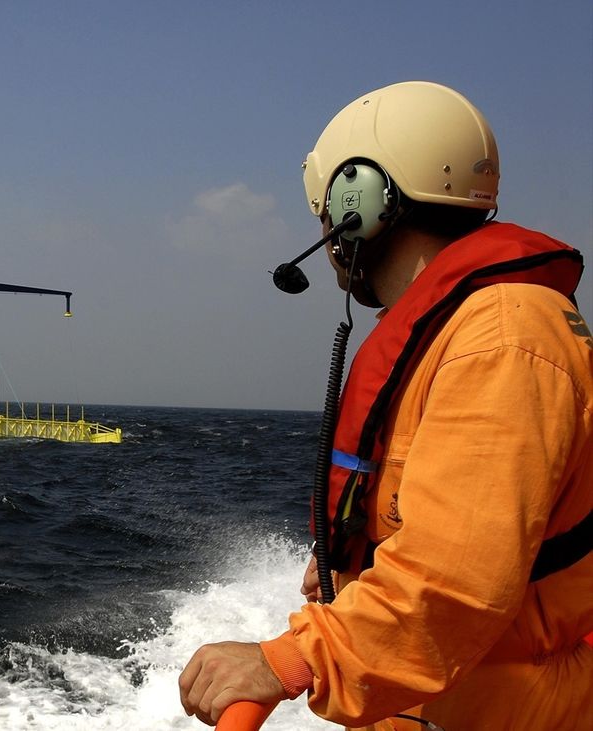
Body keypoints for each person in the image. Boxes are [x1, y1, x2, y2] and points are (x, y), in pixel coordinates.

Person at [179, 81, 593, 730]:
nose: (323, 232)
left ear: (360, 201)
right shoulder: (458, 332)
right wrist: (358, 558)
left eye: (325, 210)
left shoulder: (501, 337)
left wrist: (284, 661)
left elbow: (454, 585)